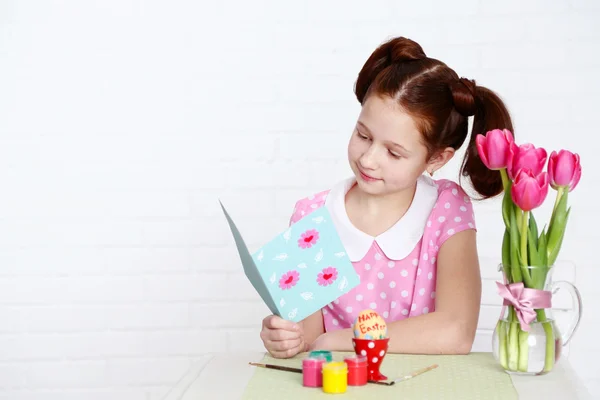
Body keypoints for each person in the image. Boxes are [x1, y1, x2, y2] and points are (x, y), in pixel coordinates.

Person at [260, 36, 513, 359]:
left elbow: (455, 332)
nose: (368, 159)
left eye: (394, 152)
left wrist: (336, 340)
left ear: (436, 159)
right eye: (363, 135)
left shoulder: (447, 209)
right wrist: (285, 337)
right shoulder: (311, 215)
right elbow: (307, 338)